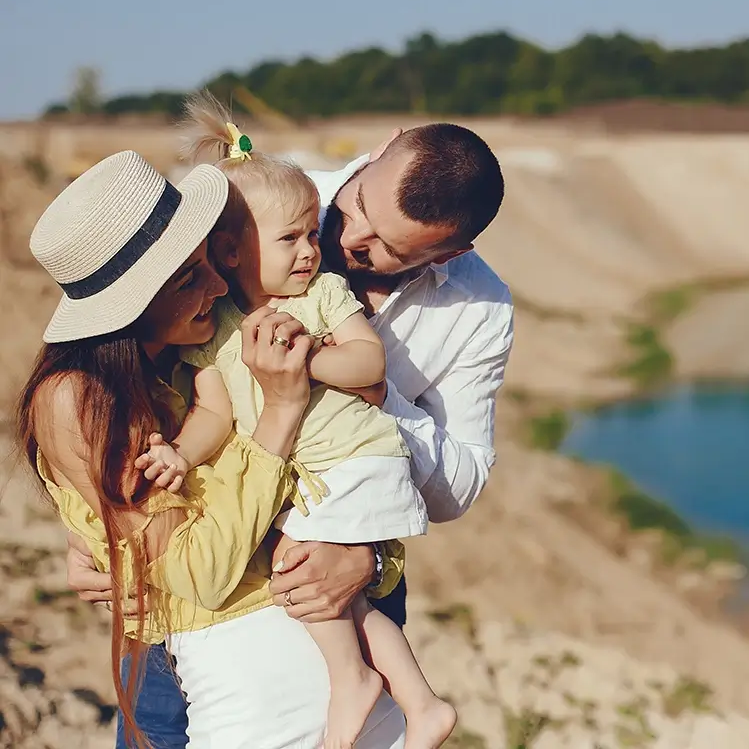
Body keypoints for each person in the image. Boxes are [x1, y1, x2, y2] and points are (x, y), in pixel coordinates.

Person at [67, 110, 514, 749]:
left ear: (452, 252)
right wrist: (91, 521)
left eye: (386, 249)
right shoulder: (249, 205)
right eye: (358, 203)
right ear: (384, 144)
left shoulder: (479, 308)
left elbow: (458, 485)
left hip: (337, 577)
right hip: (187, 570)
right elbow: (120, 368)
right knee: (153, 734)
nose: (346, 236)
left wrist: (366, 409)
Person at [16, 150, 407, 749]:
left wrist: (370, 556)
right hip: (234, 669)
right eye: (190, 277)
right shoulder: (80, 397)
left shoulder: (190, 363)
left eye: (209, 264)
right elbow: (204, 570)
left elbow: (352, 466)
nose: (221, 286)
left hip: (285, 660)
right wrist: (280, 409)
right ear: (132, 304)